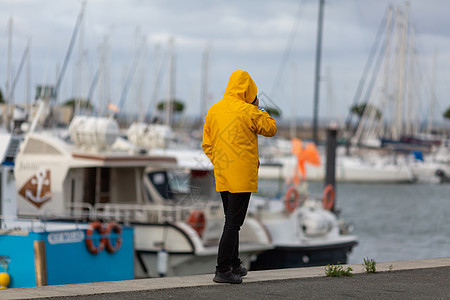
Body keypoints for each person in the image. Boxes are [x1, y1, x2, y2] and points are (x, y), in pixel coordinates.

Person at [202, 70, 277, 284]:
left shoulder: (214, 110)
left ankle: (234, 263)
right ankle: (223, 269)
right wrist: (257, 106)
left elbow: (207, 144)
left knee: (230, 220)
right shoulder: (248, 111)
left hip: (223, 174)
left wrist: (219, 162)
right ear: (249, 90)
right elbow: (271, 128)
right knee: (234, 223)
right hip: (242, 175)